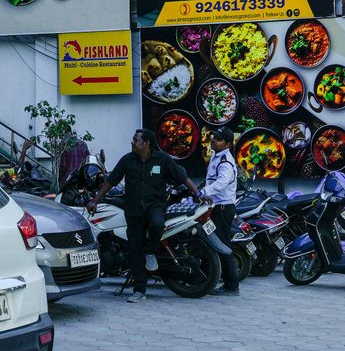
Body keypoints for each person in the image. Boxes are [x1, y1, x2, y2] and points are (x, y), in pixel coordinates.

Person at [96, 130, 199, 301]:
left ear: (147, 143)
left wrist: (198, 193)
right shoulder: (127, 160)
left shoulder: (163, 159)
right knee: (135, 249)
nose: (132, 142)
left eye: (136, 140)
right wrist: (95, 200)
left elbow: (182, 177)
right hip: (133, 210)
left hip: (154, 205)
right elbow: (111, 181)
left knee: (157, 224)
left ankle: (150, 251)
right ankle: (139, 291)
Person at [198, 128, 241, 296]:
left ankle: (231, 286)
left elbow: (221, 183)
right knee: (214, 244)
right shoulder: (217, 157)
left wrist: (204, 192)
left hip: (223, 209)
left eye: (219, 139)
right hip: (217, 207)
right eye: (214, 137)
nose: (214, 140)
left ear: (228, 144)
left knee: (221, 246)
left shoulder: (226, 161)